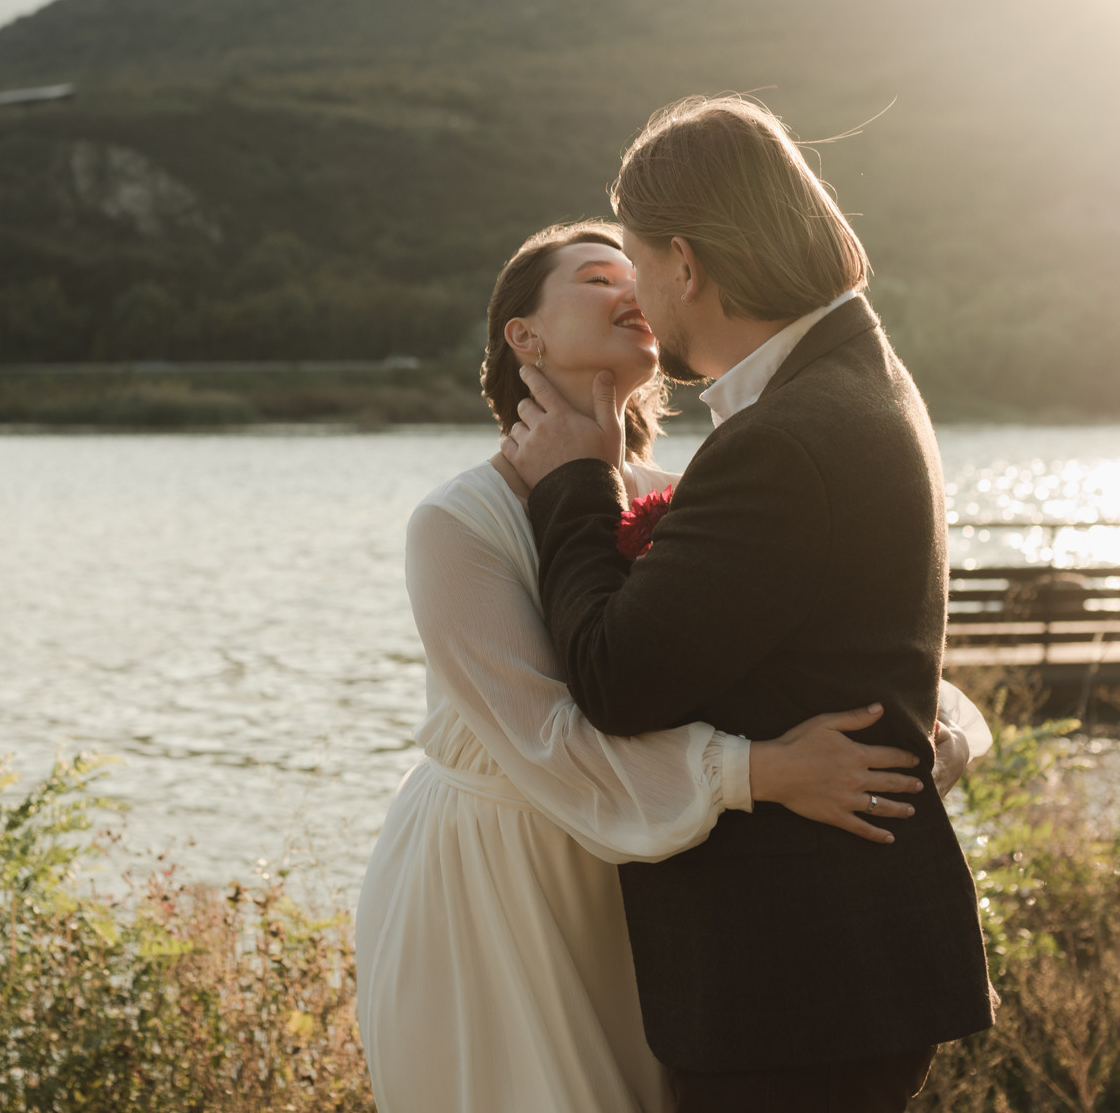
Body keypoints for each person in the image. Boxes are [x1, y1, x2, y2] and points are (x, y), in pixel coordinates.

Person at [356, 218, 993, 1112]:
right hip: (504, 878)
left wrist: (930, 722)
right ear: (523, 336)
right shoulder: (455, 524)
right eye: (595, 276)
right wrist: (761, 771)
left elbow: (784, 644)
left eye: (637, 272)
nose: (631, 287)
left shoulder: (684, 492)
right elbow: (546, 738)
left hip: (658, 878)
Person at [502, 96, 997, 1111]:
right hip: (838, 968)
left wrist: (576, 483)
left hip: (793, 981)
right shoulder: (855, 375)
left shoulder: (783, 438)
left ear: (685, 265)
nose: (638, 294)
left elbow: (613, 676)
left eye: (638, 263)